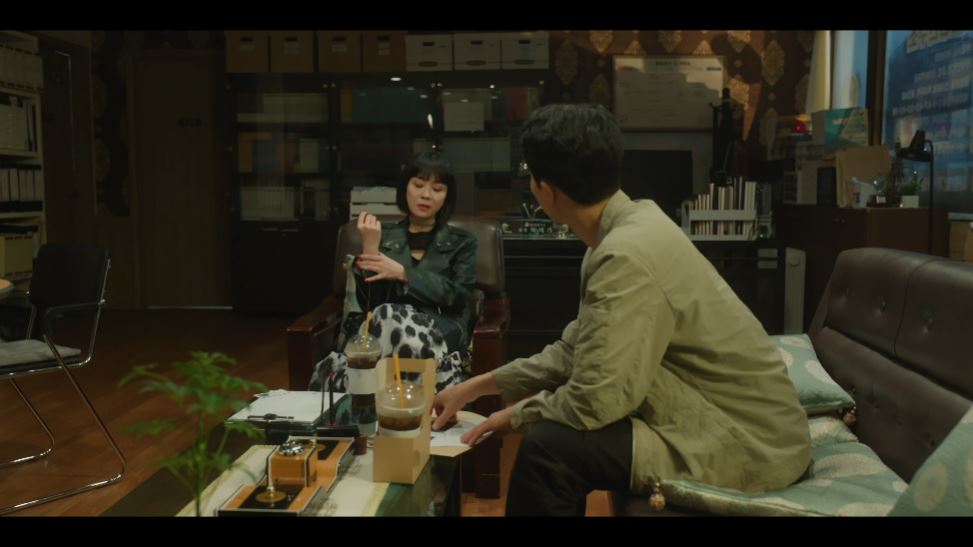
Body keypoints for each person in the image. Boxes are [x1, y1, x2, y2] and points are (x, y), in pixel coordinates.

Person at [432, 103, 811, 516]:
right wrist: (477, 387)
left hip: (749, 444)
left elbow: (596, 401)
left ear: (545, 191)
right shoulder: (631, 224)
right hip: (735, 421)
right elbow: (576, 350)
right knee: (551, 433)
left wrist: (513, 416)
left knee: (548, 450)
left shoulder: (624, 254)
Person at [310, 150, 478, 393]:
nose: (426, 195)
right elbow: (371, 306)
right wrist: (370, 248)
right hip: (383, 333)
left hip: (438, 330)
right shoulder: (382, 235)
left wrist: (404, 273)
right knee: (388, 315)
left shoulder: (463, 242)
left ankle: (375, 398)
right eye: (418, 185)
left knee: (394, 323)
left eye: (437, 189)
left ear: (447, 197)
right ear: (405, 188)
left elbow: (458, 296)